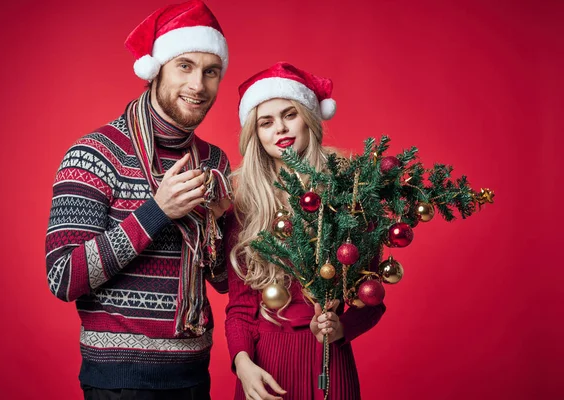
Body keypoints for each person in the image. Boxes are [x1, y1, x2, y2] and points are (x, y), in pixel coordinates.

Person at [45, 1, 232, 399]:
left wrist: (224, 223)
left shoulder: (215, 162)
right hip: (118, 381)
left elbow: (222, 281)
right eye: (185, 66)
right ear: (156, 69)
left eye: (210, 71)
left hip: (194, 375)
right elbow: (63, 277)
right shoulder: (95, 153)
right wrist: (156, 212)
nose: (198, 85)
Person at [224, 62, 387, 400]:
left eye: (289, 114)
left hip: (328, 358)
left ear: (308, 117)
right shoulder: (246, 205)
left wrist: (341, 327)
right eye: (265, 122)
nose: (280, 128)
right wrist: (242, 362)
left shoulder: (350, 193)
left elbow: (371, 296)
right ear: (255, 135)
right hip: (264, 367)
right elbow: (240, 307)